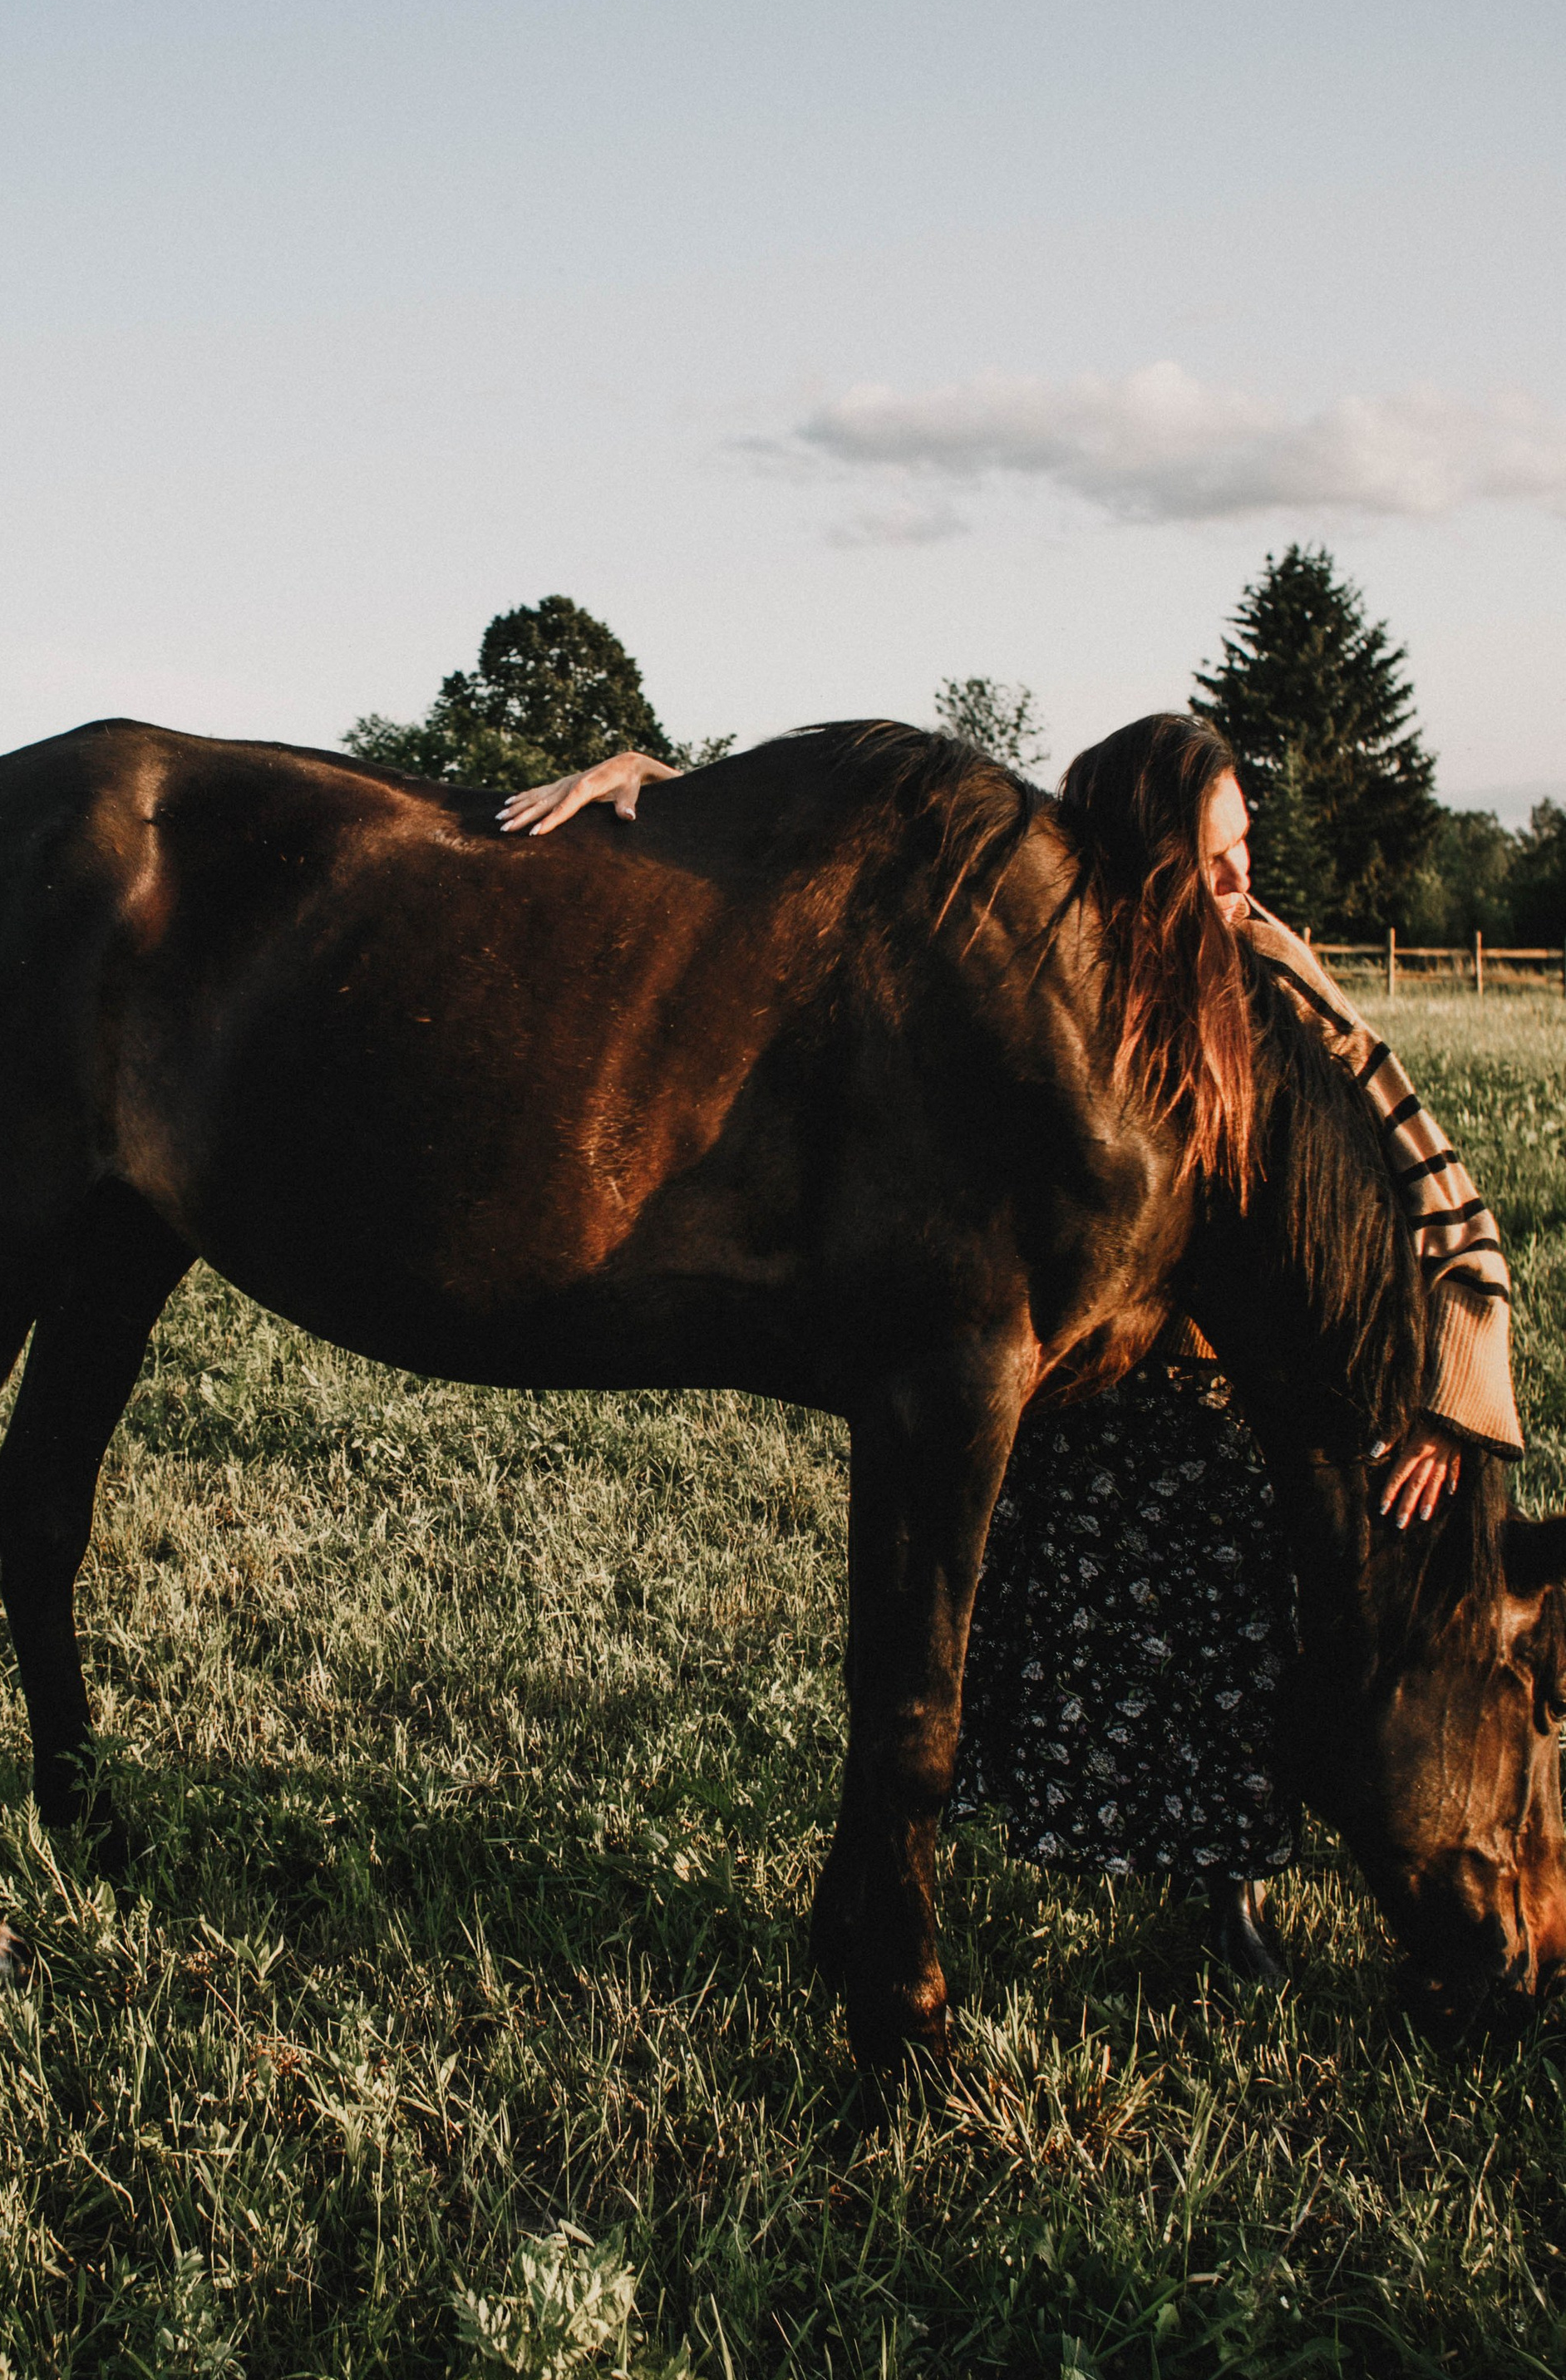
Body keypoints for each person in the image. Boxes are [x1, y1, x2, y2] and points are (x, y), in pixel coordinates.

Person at [499, 716, 1524, 1976]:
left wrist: (1462, 1384)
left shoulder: (1265, 969)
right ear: (1142, 856)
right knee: (1074, 1627)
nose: (1237, 882)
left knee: (1237, 1631)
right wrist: (667, 788)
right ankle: (1032, 1860)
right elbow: (873, 819)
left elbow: (1434, 1175)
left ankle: (1230, 1904)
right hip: (1087, 1363)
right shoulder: (1060, 953)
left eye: (1244, 850)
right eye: (1210, 858)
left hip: (1208, 1374)